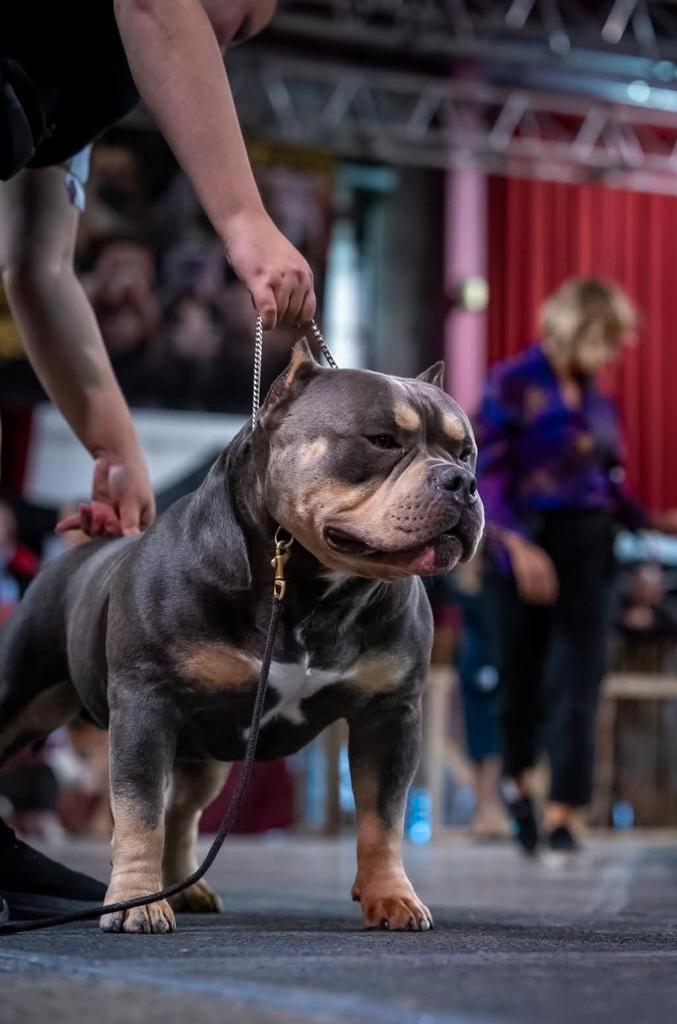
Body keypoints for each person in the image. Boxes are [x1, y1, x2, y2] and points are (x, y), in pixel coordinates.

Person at [0, 0, 316, 920]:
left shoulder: (71, 97)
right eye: (241, 15)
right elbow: (156, 3)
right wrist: (245, 221)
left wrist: (115, 447)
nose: (228, 41)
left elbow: (39, 269)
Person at [476, 278, 677, 856]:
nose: (614, 353)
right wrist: (515, 543)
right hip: (525, 544)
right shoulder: (512, 384)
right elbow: (487, 474)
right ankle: (518, 786)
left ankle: (565, 808)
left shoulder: (598, 402)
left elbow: (604, 484)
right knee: (522, 679)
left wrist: (649, 520)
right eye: (608, 339)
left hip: (589, 547)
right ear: (580, 329)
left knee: (580, 678)